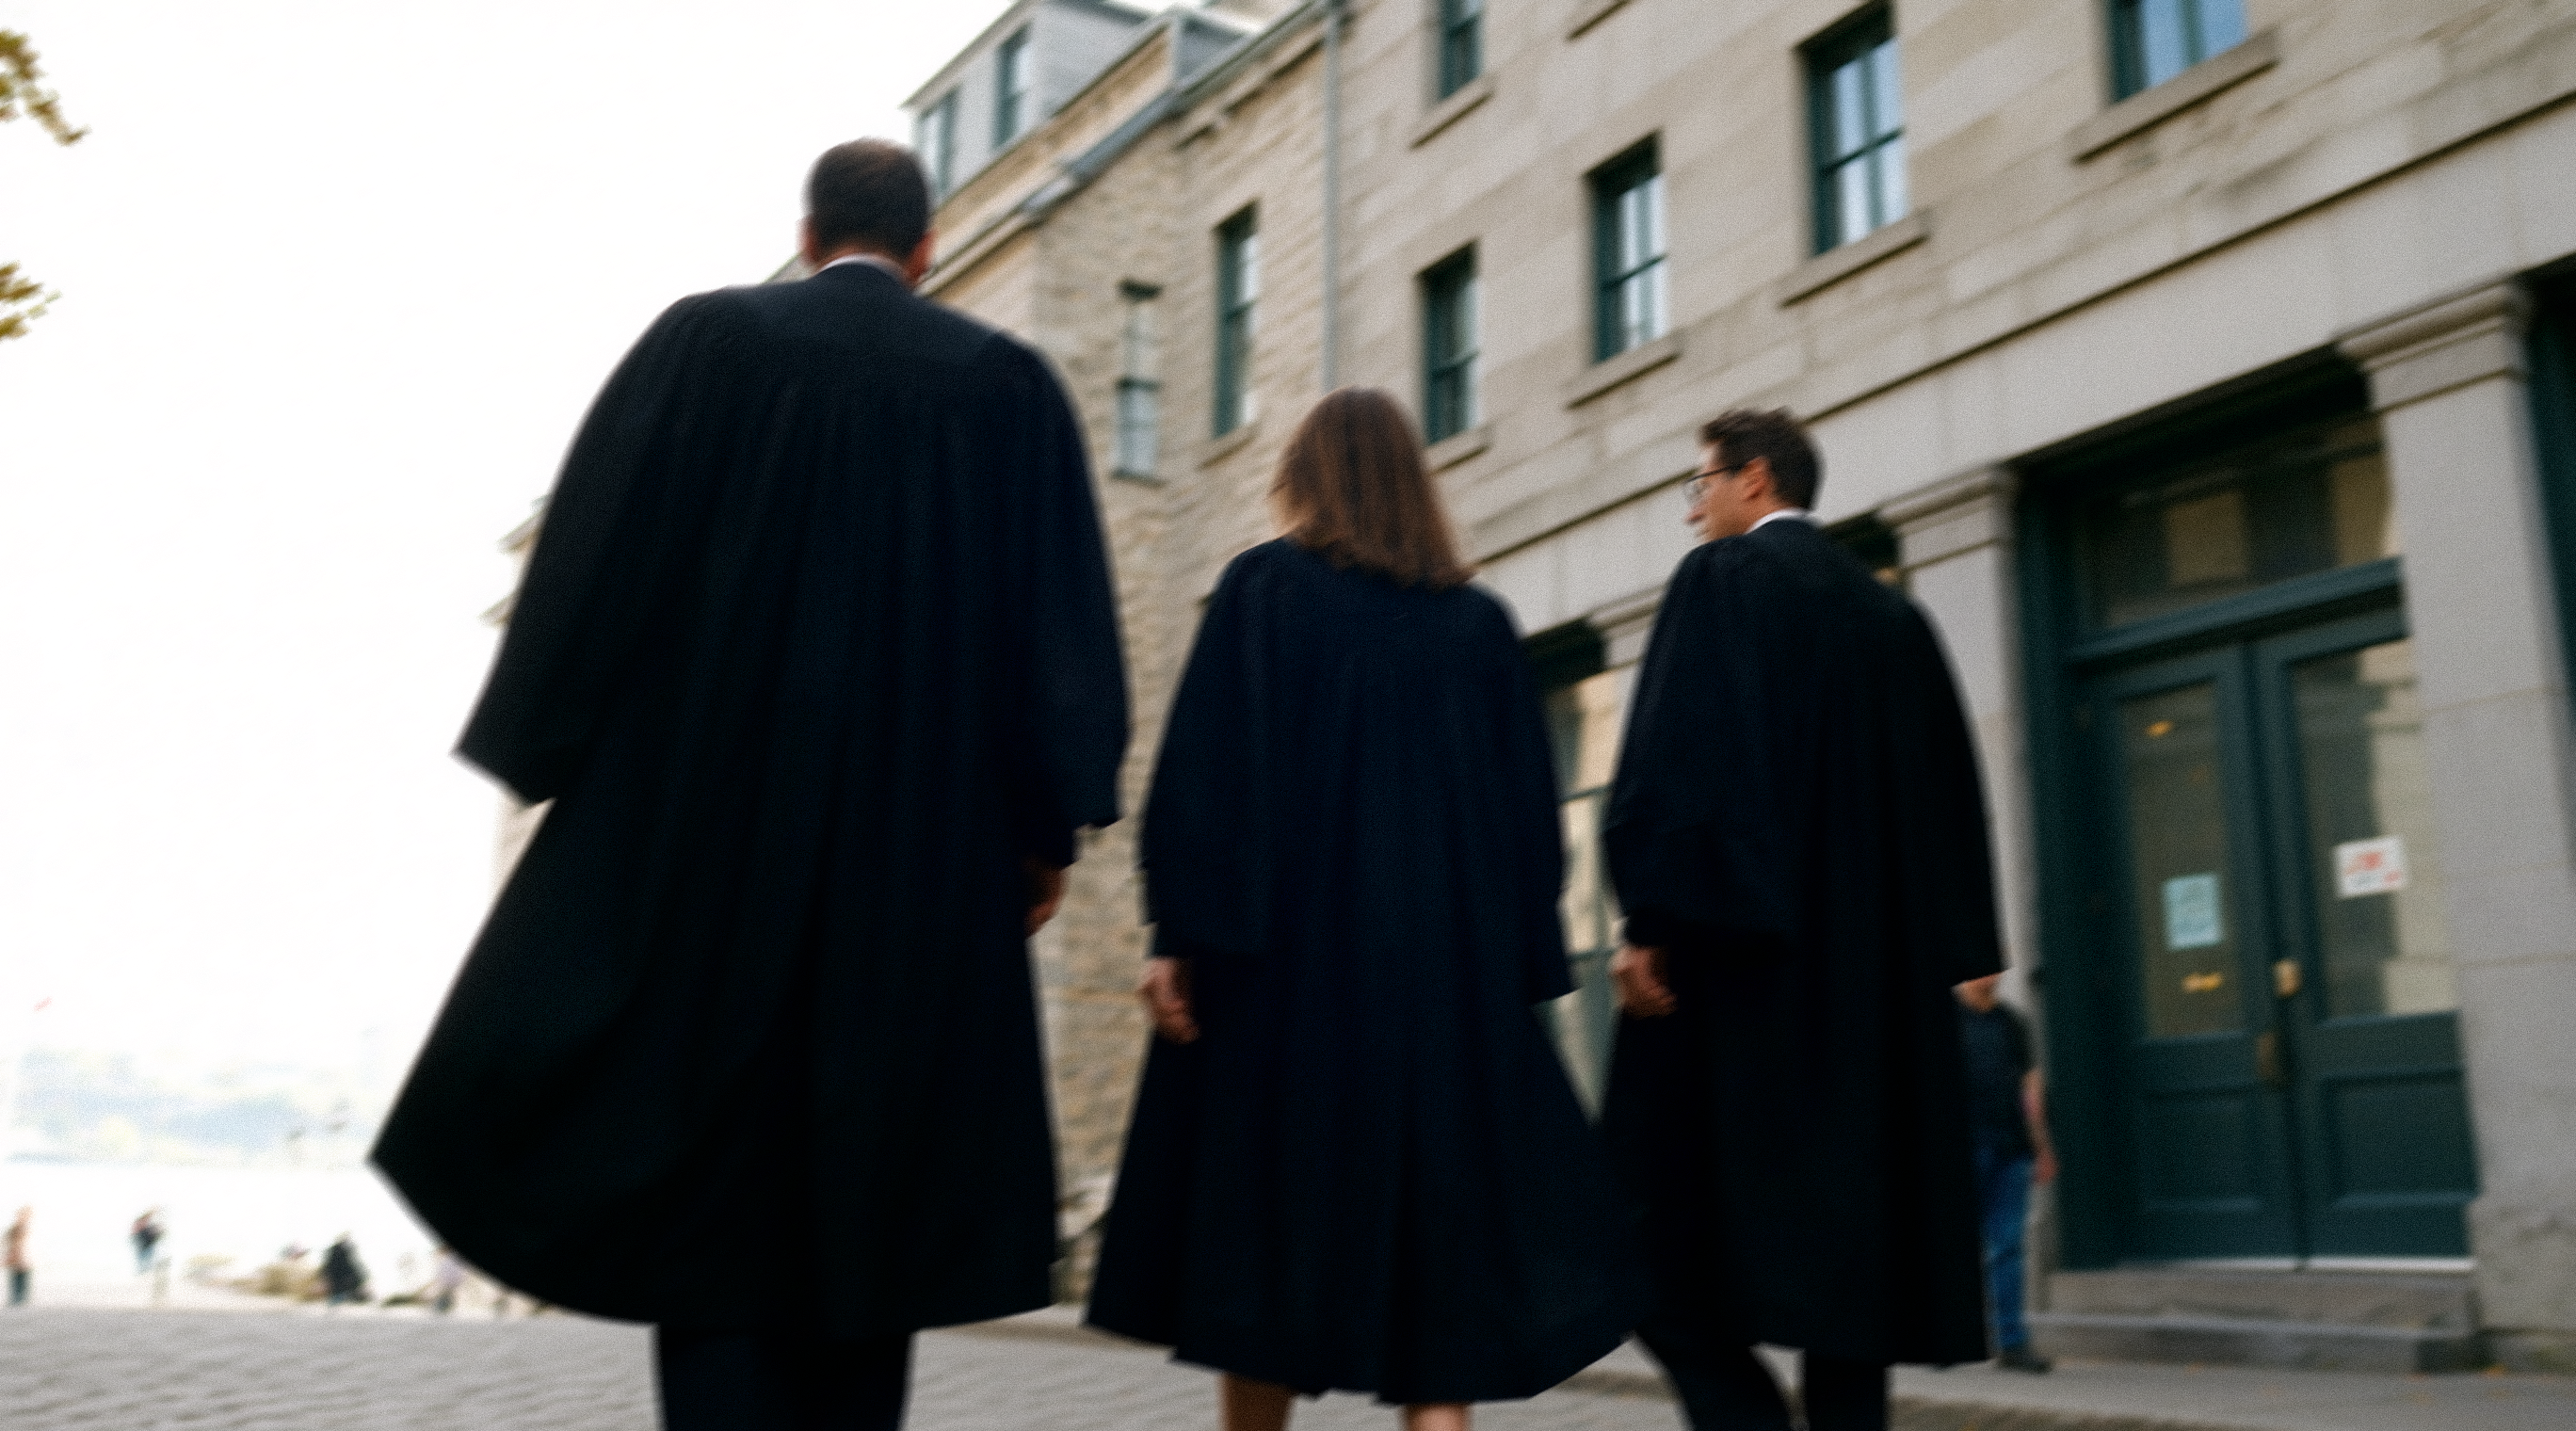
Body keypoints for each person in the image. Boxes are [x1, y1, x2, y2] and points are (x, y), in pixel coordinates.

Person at [371, 137, 1128, 1431]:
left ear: (808, 227)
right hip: (919, 868)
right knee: (867, 1204)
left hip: (710, 855)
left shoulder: (706, 347)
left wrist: (558, 766)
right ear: (926, 247)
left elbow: (592, 560)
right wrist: (1043, 829)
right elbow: (1057, 634)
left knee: (712, 1194)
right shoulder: (1008, 390)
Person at [1087, 390, 1650, 1431]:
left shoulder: (1262, 590)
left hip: (1284, 991)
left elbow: (1209, 782)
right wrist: (1518, 975)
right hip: (1442, 997)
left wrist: (1179, 938)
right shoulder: (1479, 625)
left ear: (1305, 477)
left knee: (1260, 1263)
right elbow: (1532, 816)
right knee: (1444, 1287)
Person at [1601, 409, 2002, 1431]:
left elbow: (1674, 759)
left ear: (1757, 479)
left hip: (1739, 983)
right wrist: (1961, 953)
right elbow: (1955, 794)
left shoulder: (1722, 582)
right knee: (1850, 1295)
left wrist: (1647, 917)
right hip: (1878, 1004)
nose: (1695, 509)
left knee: (1639, 1243)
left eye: (1702, 484)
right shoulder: (1895, 619)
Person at [1956, 973, 2056, 1374]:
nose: (1992, 977)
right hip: (1964, 1150)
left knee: (2007, 1245)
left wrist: (2042, 1146)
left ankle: (2011, 1341)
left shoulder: (2012, 1022)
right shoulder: (1945, 1020)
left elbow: (2030, 1085)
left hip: (2012, 1149)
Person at [322, 1234, 368, 1308]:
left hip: (342, 1277)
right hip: (341, 1277)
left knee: (342, 1292)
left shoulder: (341, 1251)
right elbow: (331, 1265)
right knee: (341, 1292)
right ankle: (336, 1302)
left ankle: (337, 1302)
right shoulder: (338, 1251)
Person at [432, 1244, 467, 1315]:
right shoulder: (448, 1257)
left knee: (448, 1291)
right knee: (447, 1291)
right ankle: (443, 1306)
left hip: (452, 1276)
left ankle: (444, 1306)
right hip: (451, 1277)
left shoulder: (449, 1258)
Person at [6, 1208, 28, 1307]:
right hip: (17, 1257)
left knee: (22, 1280)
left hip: (22, 1258)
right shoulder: (16, 1229)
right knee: (17, 1280)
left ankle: (20, 1300)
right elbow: (13, 1244)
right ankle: (17, 1299)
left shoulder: (24, 1229)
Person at [132, 1209, 165, 1276]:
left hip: (148, 1246)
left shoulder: (148, 1226)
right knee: (143, 1264)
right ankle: (142, 1273)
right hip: (144, 1246)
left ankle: (144, 1273)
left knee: (147, 1263)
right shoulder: (141, 1225)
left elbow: (156, 1234)